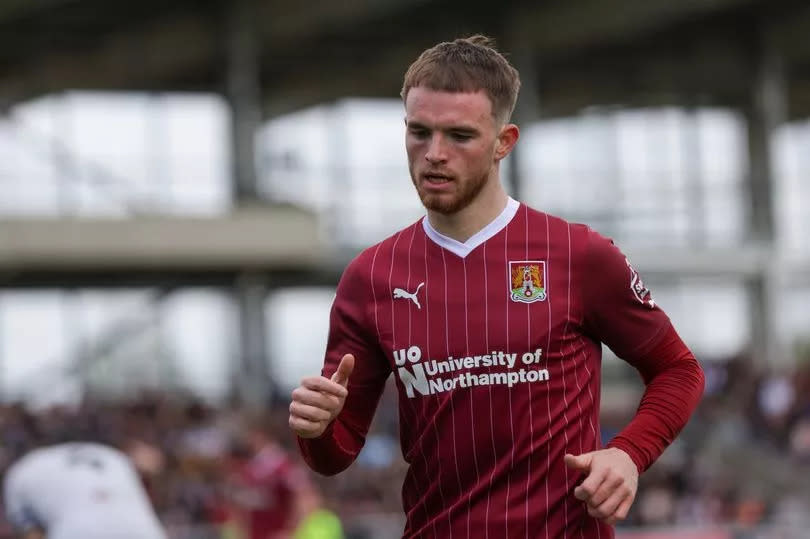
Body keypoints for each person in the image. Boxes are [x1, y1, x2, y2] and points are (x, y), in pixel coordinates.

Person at [288, 35, 705, 538]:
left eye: (459, 136)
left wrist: (628, 453)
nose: (434, 154)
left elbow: (679, 370)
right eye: (419, 132)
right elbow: (334, 455)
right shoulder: (371, 277)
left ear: (504, 142)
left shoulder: (577, 255)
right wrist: (317, 429)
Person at [3, 441, 167, 539]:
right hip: (143, 531)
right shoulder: (113, 455)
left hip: (77, 532)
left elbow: (32, 533)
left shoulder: (19, 472)